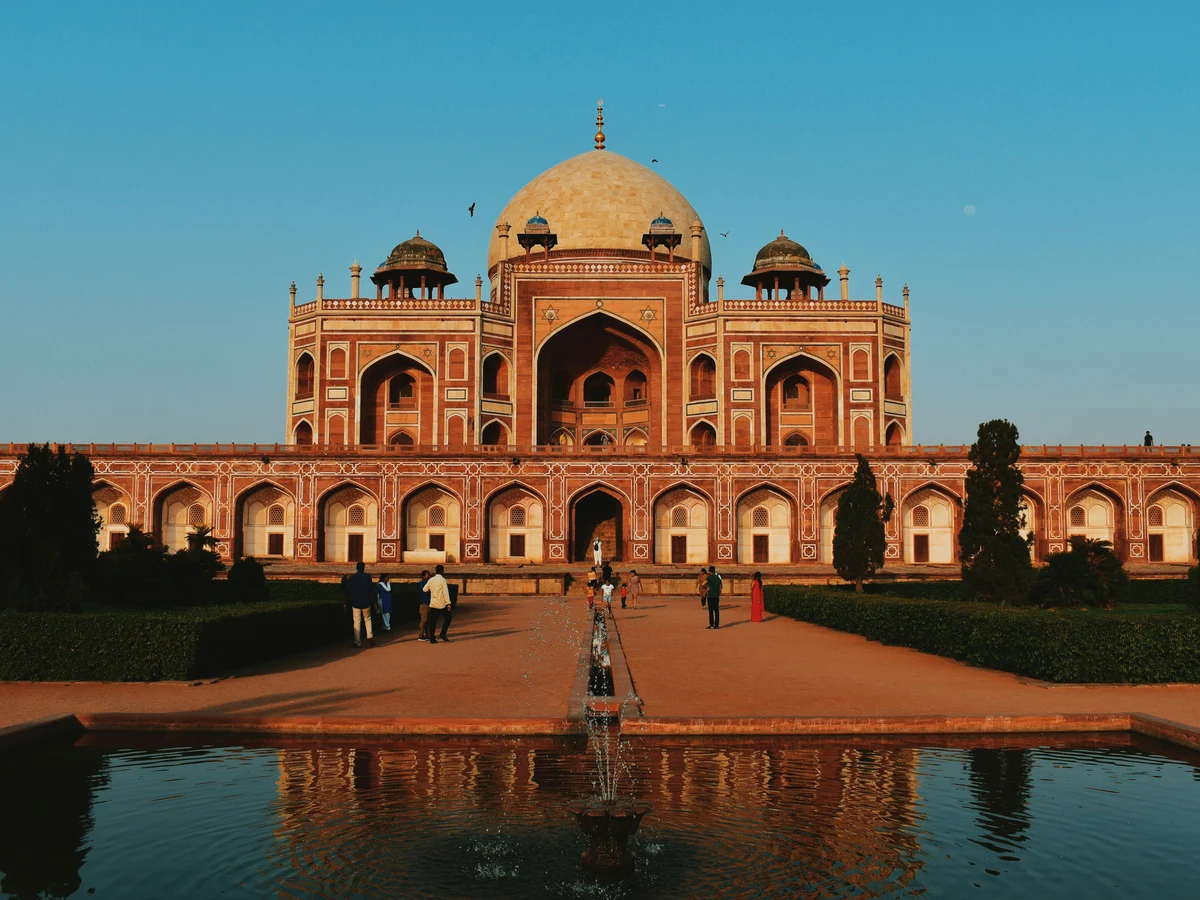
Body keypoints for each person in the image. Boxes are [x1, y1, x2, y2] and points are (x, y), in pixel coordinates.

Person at [345, 561, 375, 648]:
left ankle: (357, 641)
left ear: (356, 568)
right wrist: (373, 601)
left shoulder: (353, 578)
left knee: (357, 621)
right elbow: (371, 590)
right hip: (366, 601)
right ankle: (369, 636)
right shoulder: (368, 577)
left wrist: (346, 601)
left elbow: (348, 591)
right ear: (364, 568)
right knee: (368, 619)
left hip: (356, 602)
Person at [424, 563, 452, 643]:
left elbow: (424, 589)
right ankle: (443, 633)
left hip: (433, 603)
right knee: (448, 617)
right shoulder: (442, 580)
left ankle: (432, 638)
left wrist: (431, 590)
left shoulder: (431, 580)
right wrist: (448, 603)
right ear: (442, 571)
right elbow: (445, 592)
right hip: (442, 603)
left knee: (433, 621)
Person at [416, 569, 431, 641]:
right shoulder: (421, 584)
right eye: (427, 575)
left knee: (428, 620)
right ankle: (421, 635)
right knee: (424, 620)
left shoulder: (428, 583)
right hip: (424, 604)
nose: (429, 576)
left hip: (429, 603)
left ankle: (428, 634)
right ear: (423, 576)